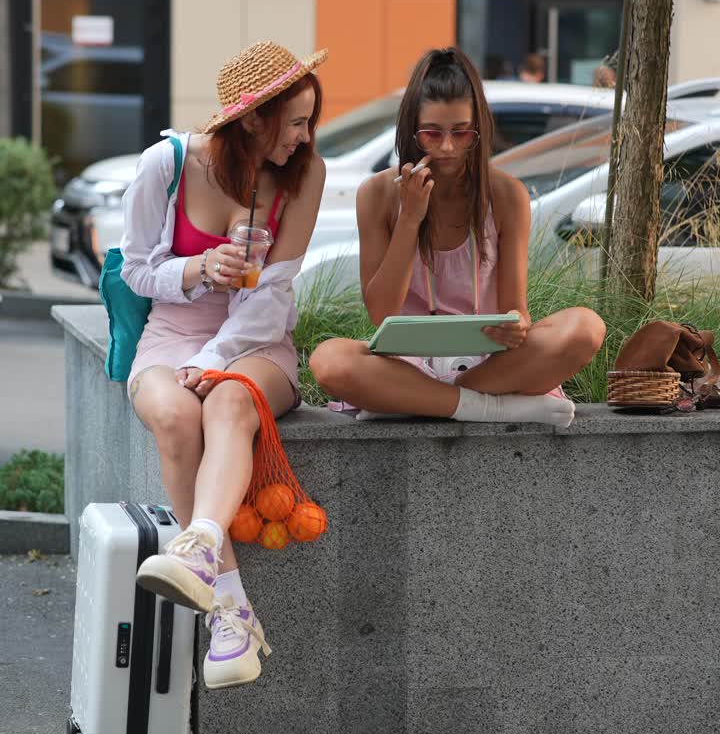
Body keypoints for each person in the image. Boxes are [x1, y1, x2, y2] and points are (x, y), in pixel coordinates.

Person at [120, 40, 327, 689]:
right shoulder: (169, 164)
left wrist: (213, 361)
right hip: (171, 335)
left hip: (257, 345)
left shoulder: (303, 175)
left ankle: (200, 547)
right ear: (250, 120)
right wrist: (199, 269)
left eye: (309, 121)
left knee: (231, 399)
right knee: (176, 416)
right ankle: (234, 619)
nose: (305, 137)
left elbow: (271, 299)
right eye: (294, 122)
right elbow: (134, 269)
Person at [310, 47, 605, 426]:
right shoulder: (378, 194)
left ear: (477, 131)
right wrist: (410, 217)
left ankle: (427, 401)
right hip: (407, 365)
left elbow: (517, 308)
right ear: (412, 130)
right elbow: (381, 312)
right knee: (329, 360)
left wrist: (515, 324)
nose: (447, 147)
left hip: (488, 365)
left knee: (585, 327)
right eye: (432, 133)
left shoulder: (506, 195)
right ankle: (488, 409)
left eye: (461, 133)